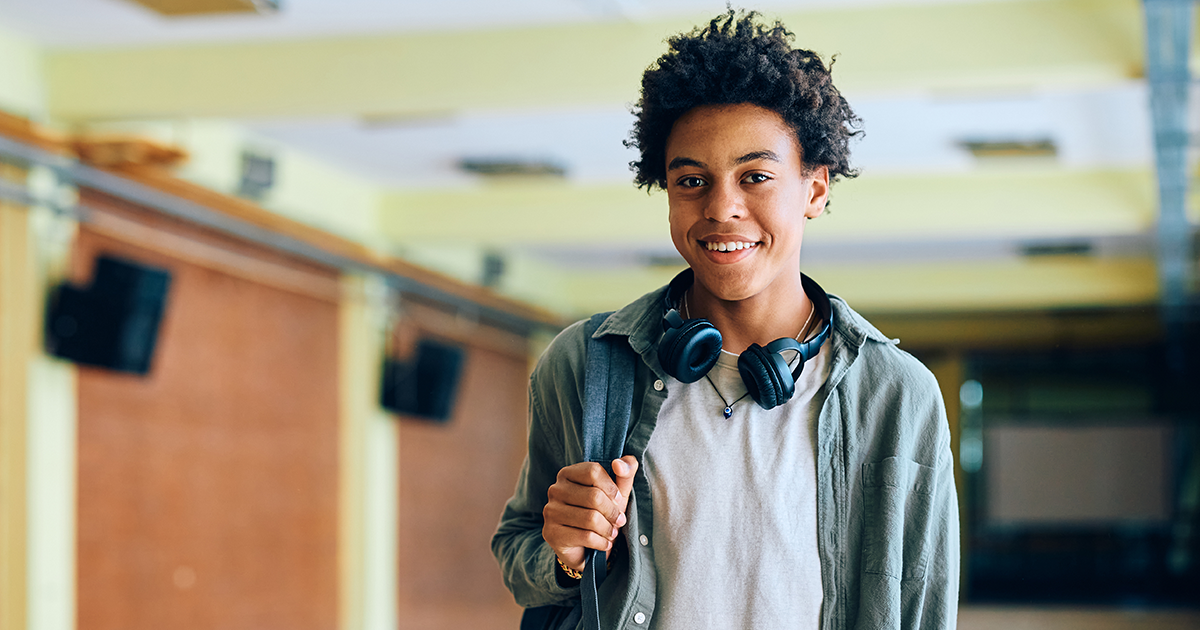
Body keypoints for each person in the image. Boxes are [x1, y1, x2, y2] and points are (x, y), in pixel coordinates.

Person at [493, 9, 959, 630]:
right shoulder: (587, 363)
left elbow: (923, 604)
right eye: (692, 180)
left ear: (815, 190)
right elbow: (521, 551)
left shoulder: (898, 394)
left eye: (756, 176)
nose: (721, 207)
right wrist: (566, 555)